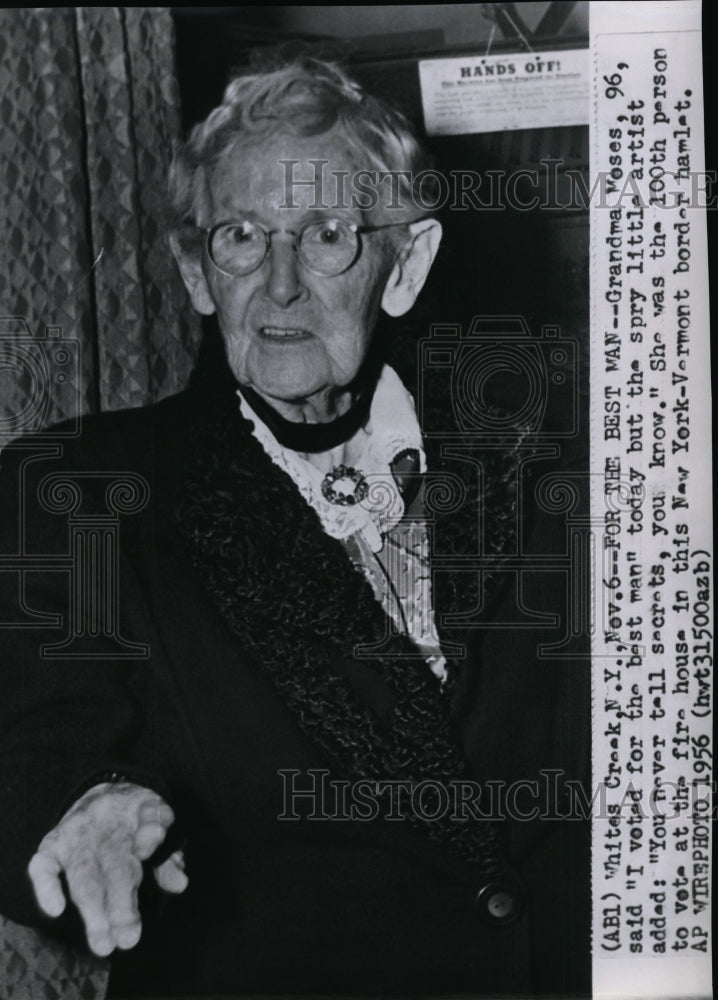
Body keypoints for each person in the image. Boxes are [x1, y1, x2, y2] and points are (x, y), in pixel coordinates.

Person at [0, 57, 590, 997]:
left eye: (326, 236)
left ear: (408, 263)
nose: (279, 287)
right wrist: (83, 805)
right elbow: (26, 743)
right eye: (240, 235)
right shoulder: (85, 489)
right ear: (198, 271)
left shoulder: (567, 455)